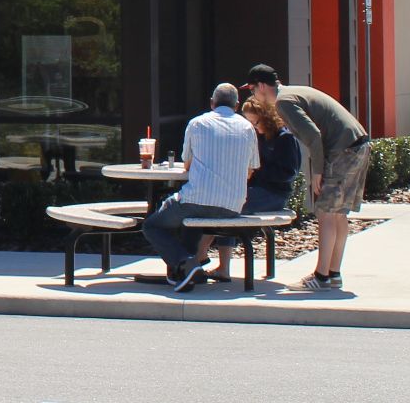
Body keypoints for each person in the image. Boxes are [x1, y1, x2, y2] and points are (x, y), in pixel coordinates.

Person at [246, 63, 369, 291]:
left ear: (262, 86)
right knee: (337, 214)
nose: (253, 95)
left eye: (252, 89)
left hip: (343, 149)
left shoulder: (283, 102)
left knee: (325, 212)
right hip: (357, 144)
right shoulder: (292, 92)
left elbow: (313, 135)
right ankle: (332, 274)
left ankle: (321, 277)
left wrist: (317, 172)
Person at [141, 82, 260, 292]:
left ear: (212, 103)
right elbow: (251, 170)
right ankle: (186, 272)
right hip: (233, 205)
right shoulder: (247, 127)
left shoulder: (197, 123)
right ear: (237, 104)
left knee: (152, 225)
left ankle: (185, 263)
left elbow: (186, 164)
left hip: (196, 200)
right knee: (189, 222)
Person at [195, 91, 302, 279]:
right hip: (253, 189)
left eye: (256, 123)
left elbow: (289, 173)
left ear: (267, 118)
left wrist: (258, 170)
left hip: (274, 193)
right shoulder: (256, 137)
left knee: (226, 204)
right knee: (223, 202)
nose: (252, 127)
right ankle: (220, 266)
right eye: (249, 123)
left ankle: (201, 254)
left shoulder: (284, 138)